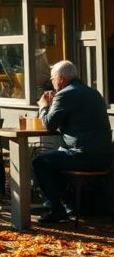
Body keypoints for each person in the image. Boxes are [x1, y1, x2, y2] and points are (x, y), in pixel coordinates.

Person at [32, 60, 114, 224]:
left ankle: (55, 209)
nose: (52, 82)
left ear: (61, 79)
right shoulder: (93, 92)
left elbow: (49, 124)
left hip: (84, 157)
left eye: (52, 78)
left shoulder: (65, 94)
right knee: (57, 157)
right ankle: (70, 206)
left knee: (39, 162)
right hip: (105, 157)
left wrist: (43, 106)